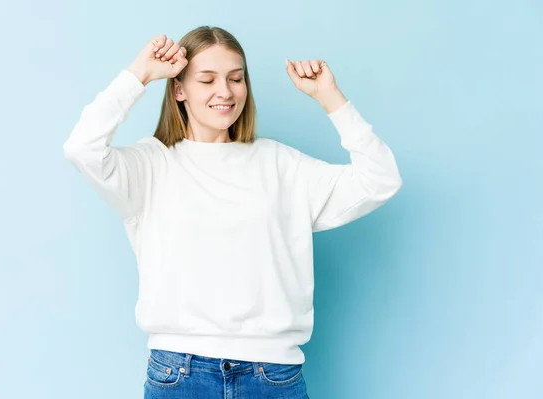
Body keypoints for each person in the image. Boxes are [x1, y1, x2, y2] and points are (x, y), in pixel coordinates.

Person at [63, 25, 402, 398]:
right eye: (207, 80)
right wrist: (138, 75)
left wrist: (331, 99)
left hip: (273, 374)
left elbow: (380, 179)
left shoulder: (279, 164)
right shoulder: (150, 166)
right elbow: (82, 148)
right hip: (179, 373)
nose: (225, 91)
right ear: (179, 89)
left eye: (235, 79)